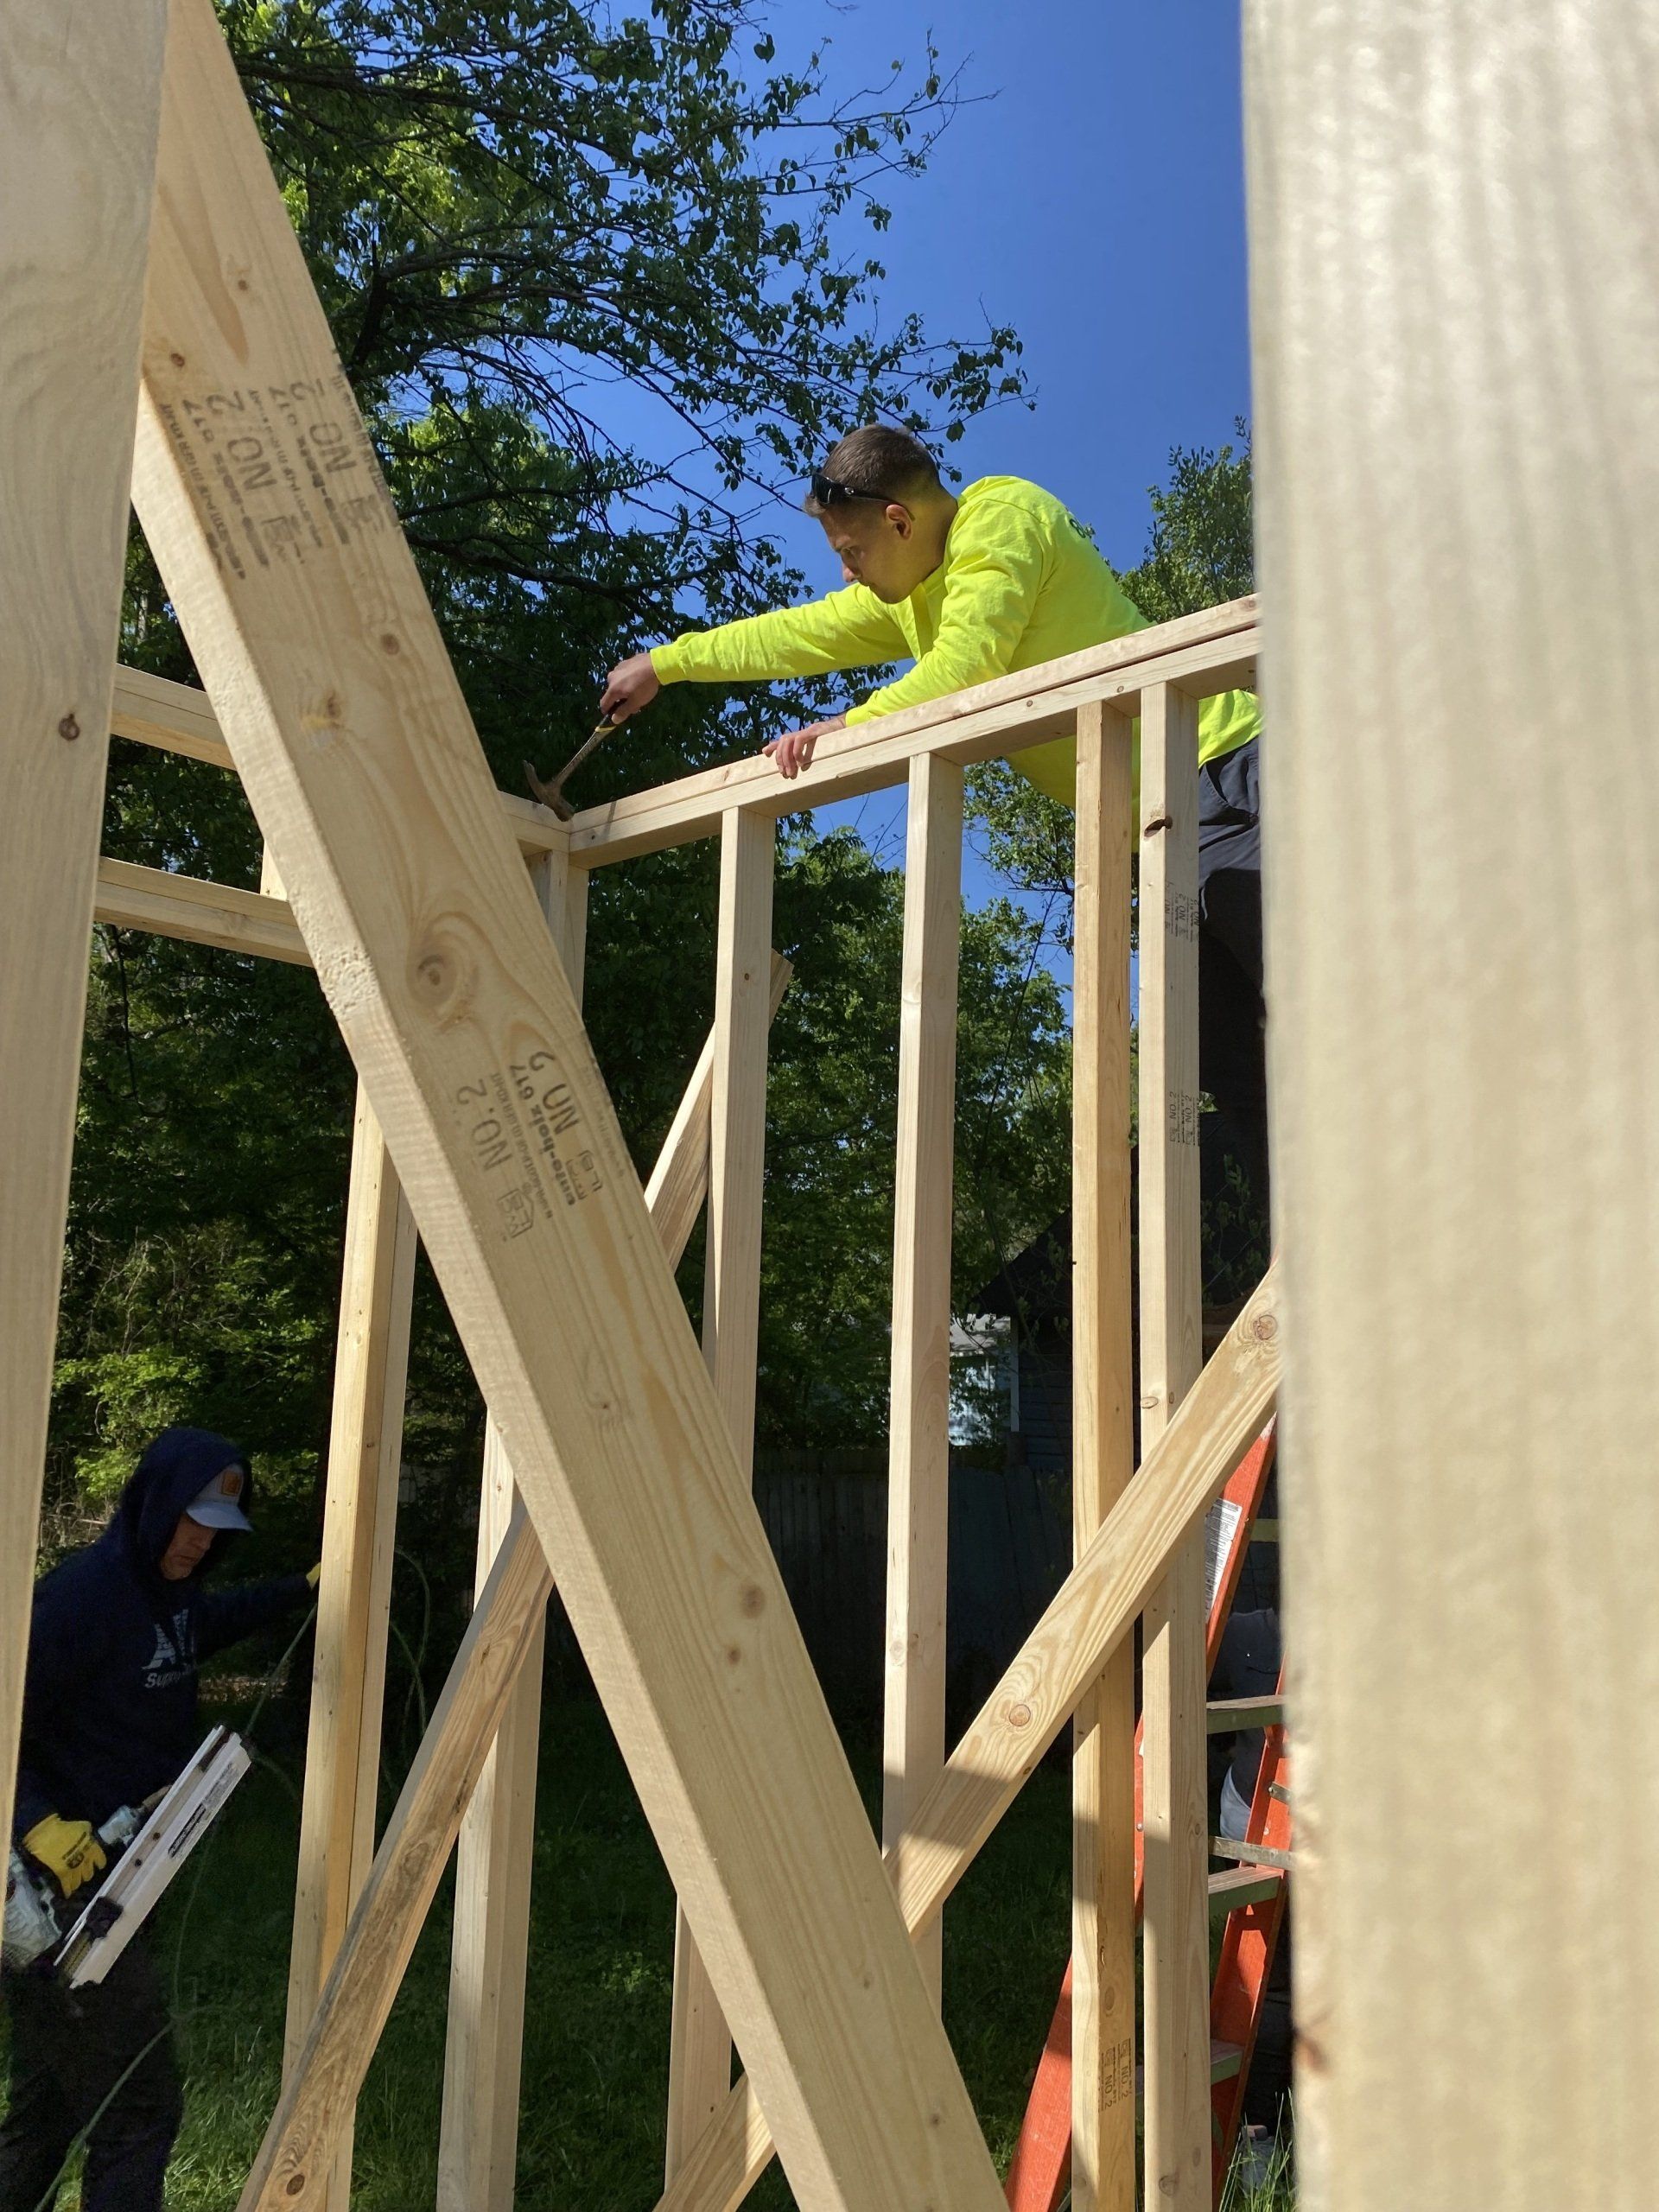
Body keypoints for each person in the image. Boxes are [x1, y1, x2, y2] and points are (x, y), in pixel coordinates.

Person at [601, 423, 1269, 1246]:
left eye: (850, 550)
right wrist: (665, 663)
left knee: (1315, 1003)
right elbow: (793, 635)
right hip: (1164, 837)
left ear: (899, 522)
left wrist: (849, 725)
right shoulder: (916, 594)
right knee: (1231, 1066)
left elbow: (969, 665)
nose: (844, 572)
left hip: (1232, 774)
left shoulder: (1003, 519)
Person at [1, 1427, 315, 2212]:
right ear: (154, 1504)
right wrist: (35, 1821)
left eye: (215, 1530)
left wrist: (299, 1590)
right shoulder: (80, 1600)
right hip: (58, 1901)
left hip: (122, 1879)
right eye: (189, 1520)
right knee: (139, 2109)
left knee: (52, 2103)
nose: (198, 1541)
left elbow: (197, 1629)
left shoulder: (166, 1594)